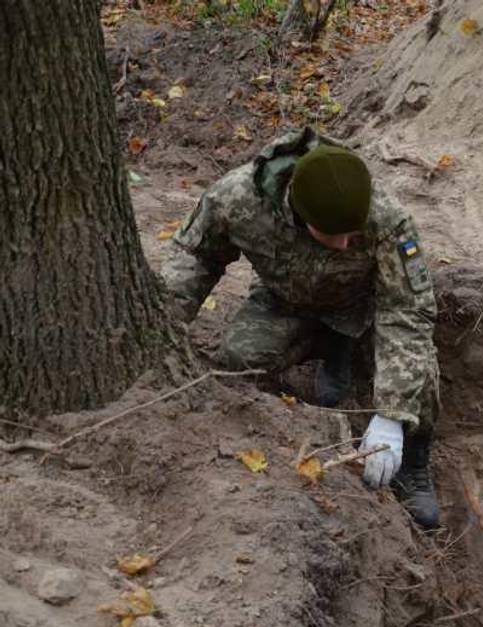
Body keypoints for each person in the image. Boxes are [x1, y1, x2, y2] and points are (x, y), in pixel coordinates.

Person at [162, 127, 440, 530]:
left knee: (423, 372)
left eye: (352, 234)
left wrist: (393, 417)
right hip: (285, 302)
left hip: (360, 311)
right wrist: (164, 329)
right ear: (299, 214)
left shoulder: (386, 217)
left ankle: (414, 464)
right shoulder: (236, 198)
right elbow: (194, 257)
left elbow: (408, 313)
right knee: (239, 359)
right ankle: (324, 344)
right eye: (334, 235)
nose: (346, 244)